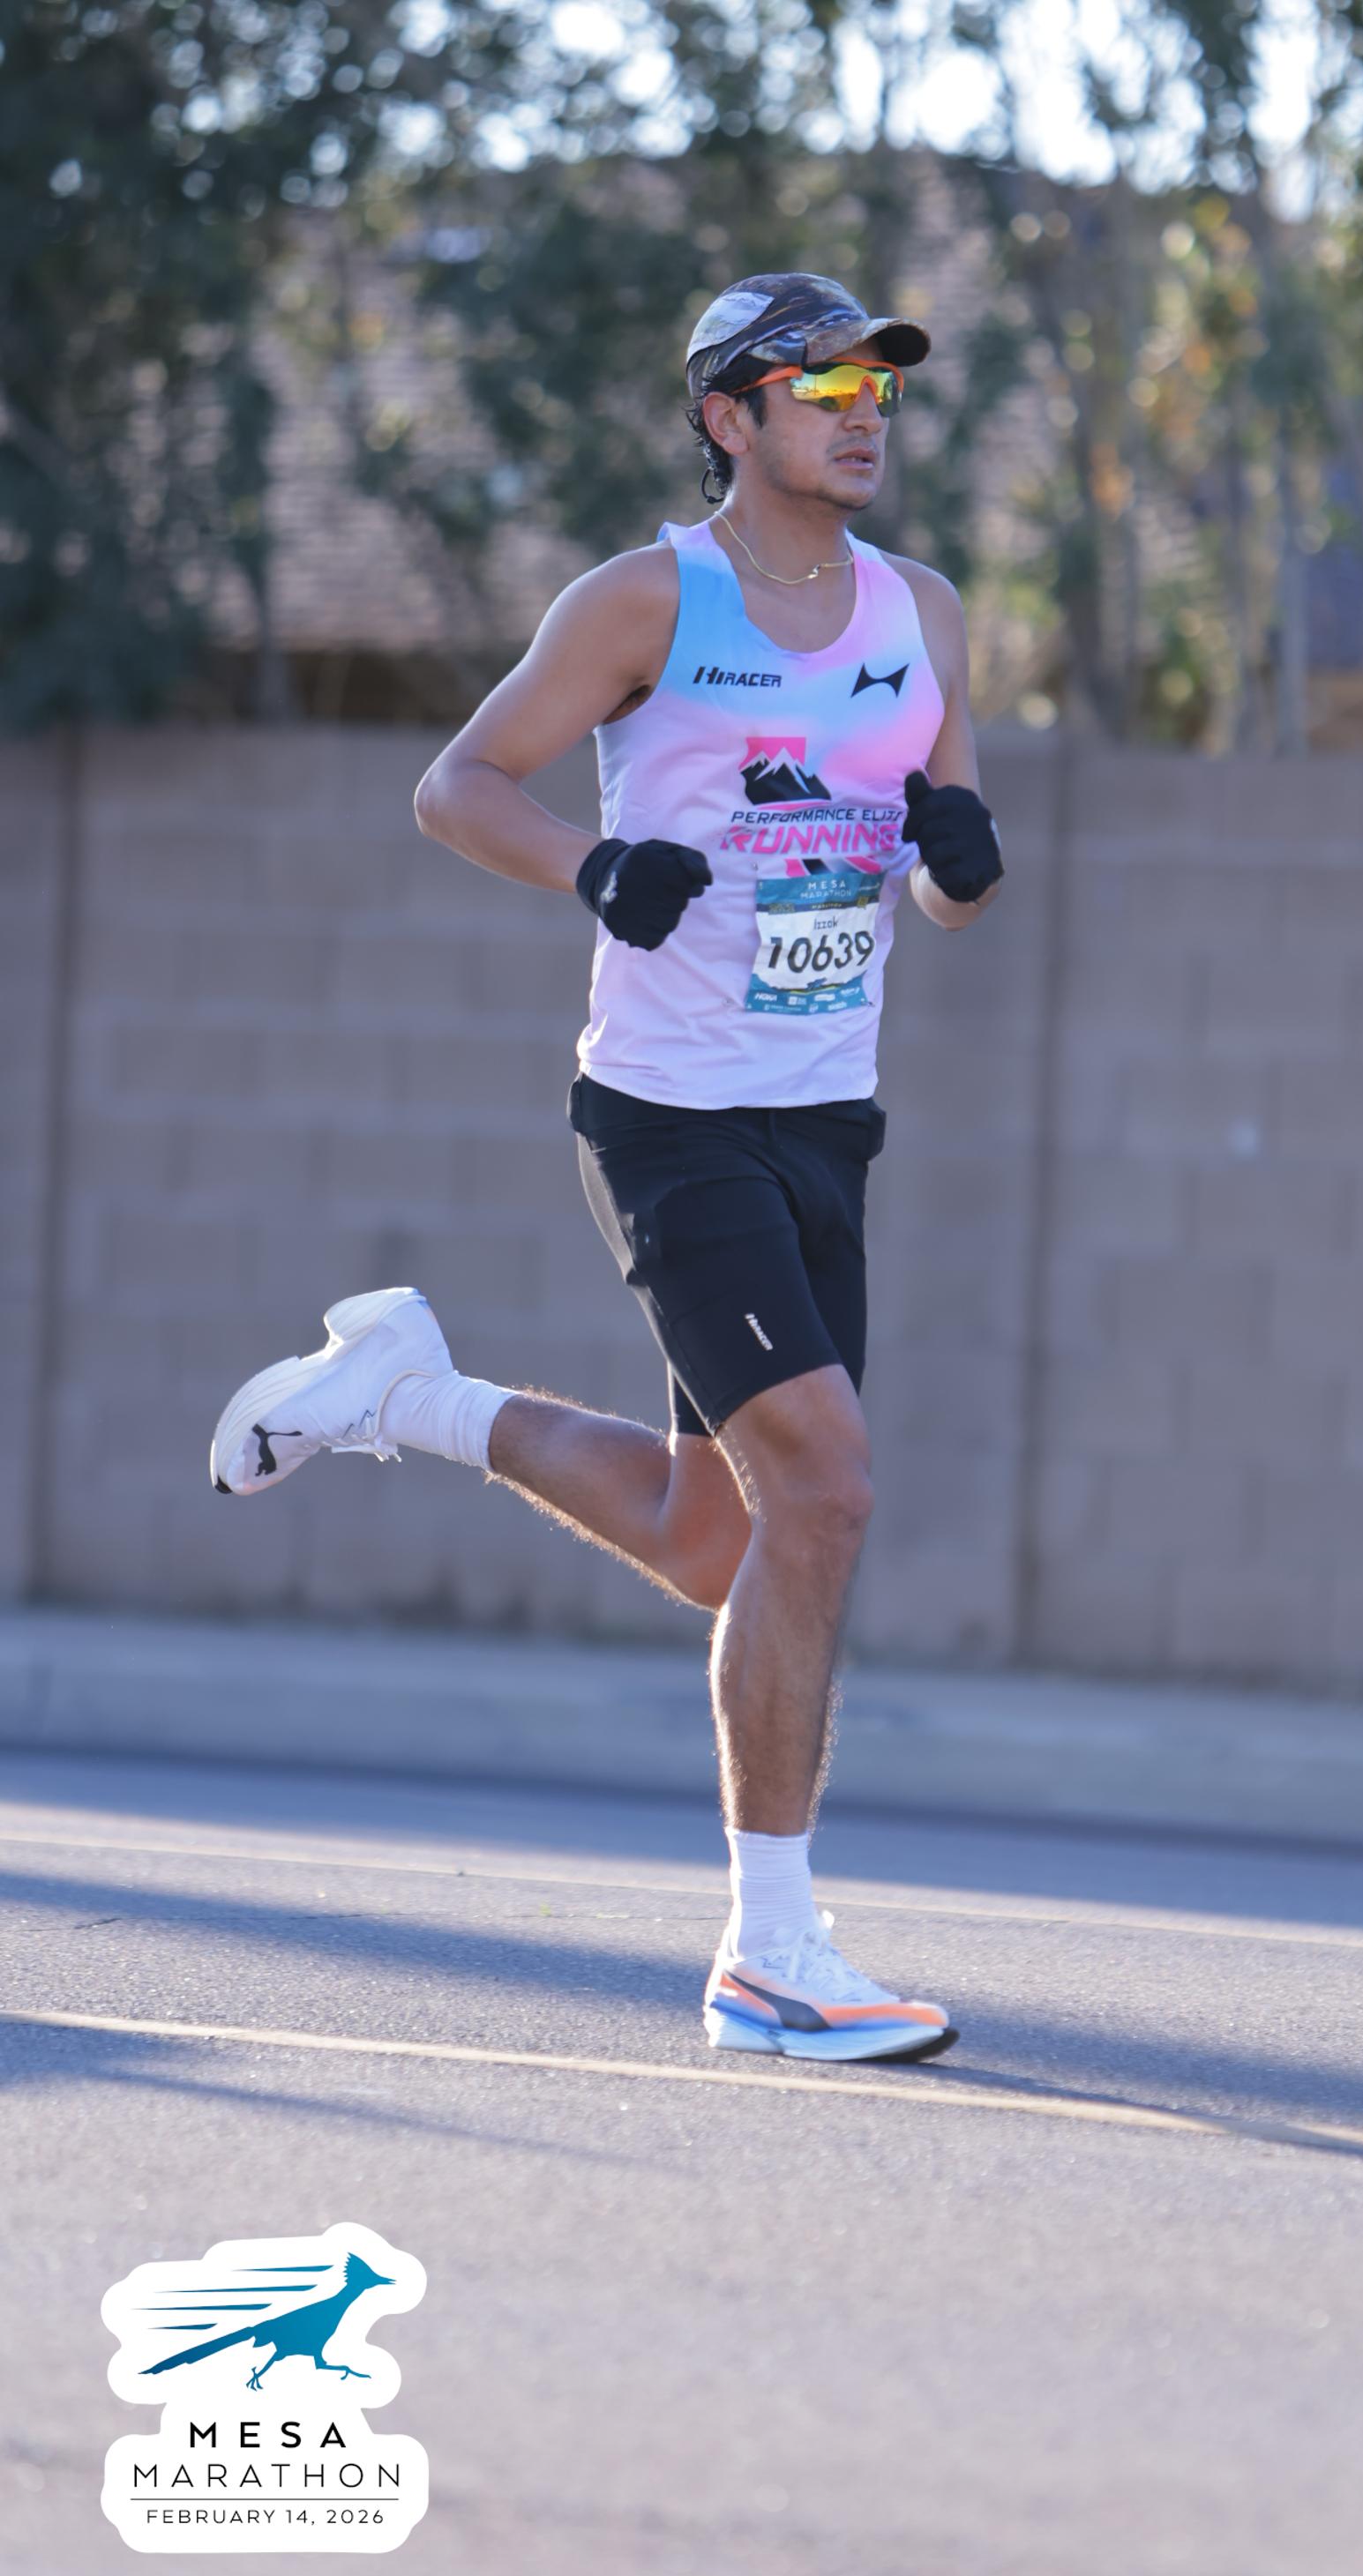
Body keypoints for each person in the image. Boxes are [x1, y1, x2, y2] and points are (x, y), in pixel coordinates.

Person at [208, 272, 1005, 2063]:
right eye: (823, 386)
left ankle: (405, 1394)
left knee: (715, 1540)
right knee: (829, 1497)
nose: (863, 414)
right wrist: (592, 868)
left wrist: (953, 867)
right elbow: (458, 784)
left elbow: (936, 877)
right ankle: (770, 1956)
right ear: (730, 415)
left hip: (829, 1118)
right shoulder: (650, 600)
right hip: (672, 1116)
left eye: (879, 387)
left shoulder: (924, 612)